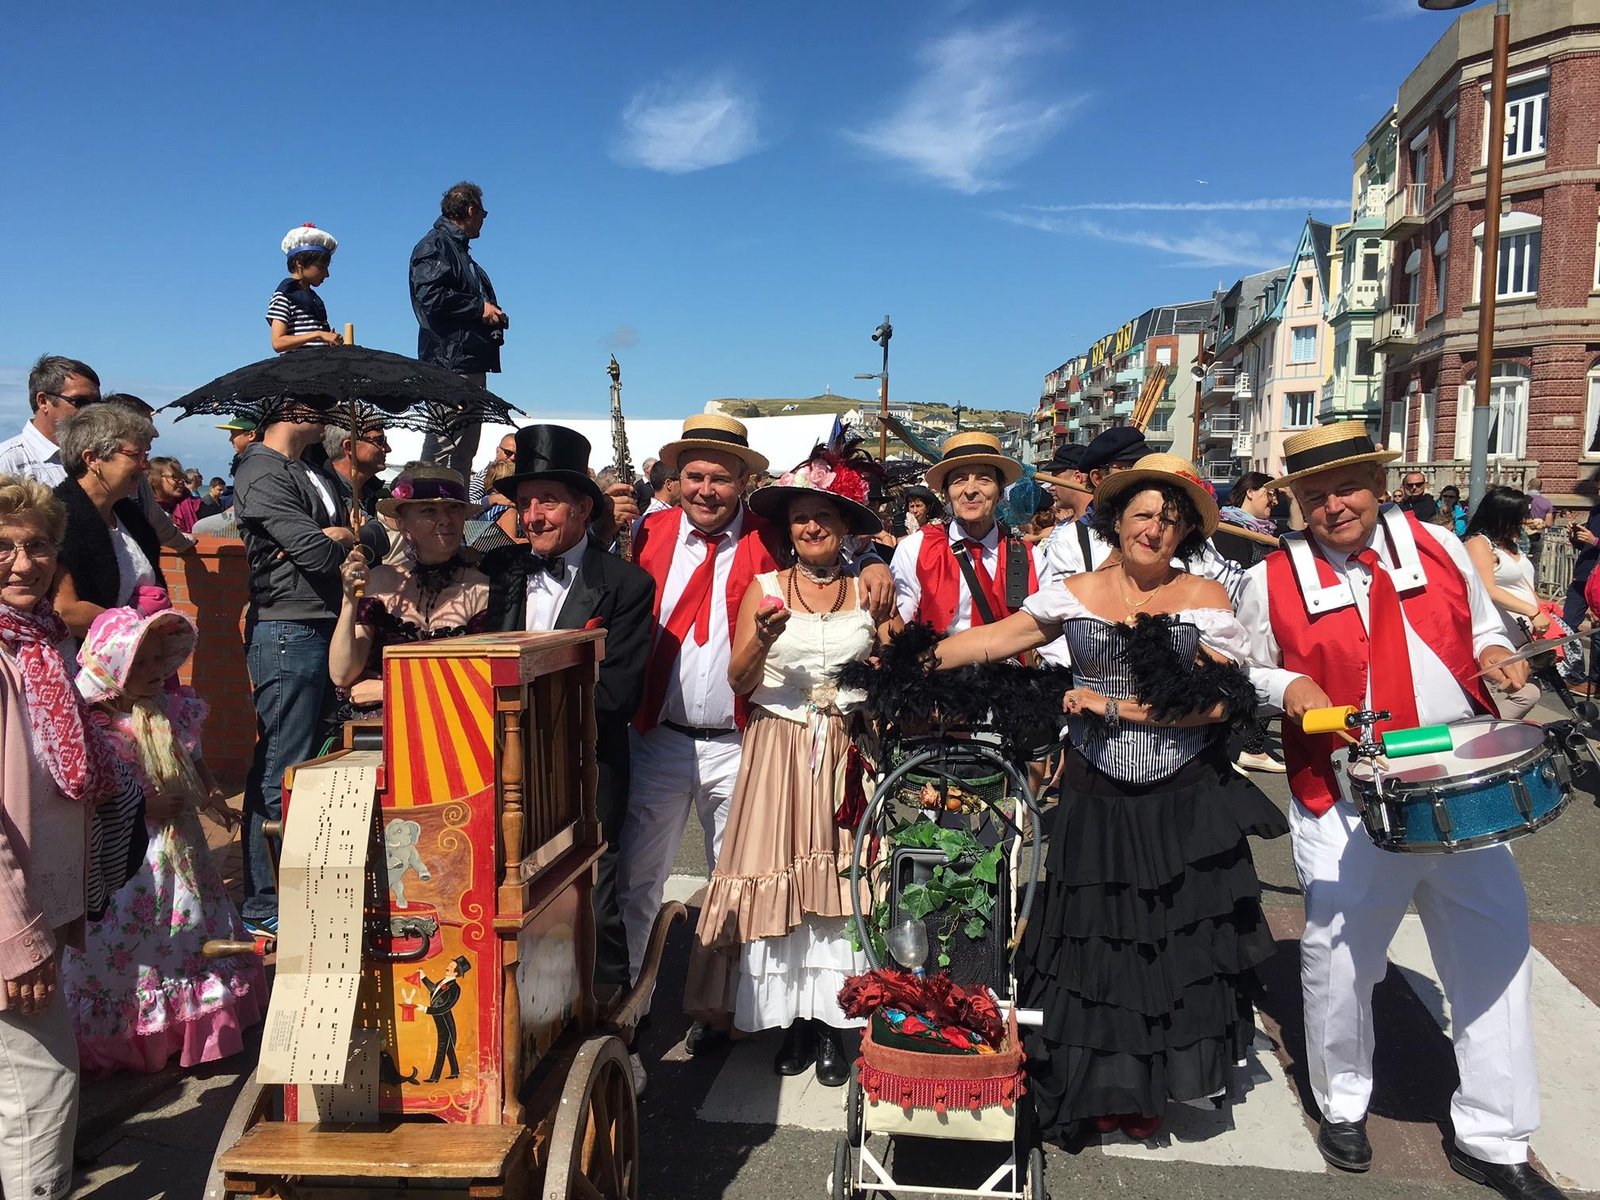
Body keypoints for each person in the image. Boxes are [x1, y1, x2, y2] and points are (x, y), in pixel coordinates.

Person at [1236, 423, 1562, 1198]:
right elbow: (1246, 665)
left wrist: (1494, 654)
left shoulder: (1442, 549)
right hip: (1345, 794)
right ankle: (1342, 1099)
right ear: (1296, 503)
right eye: (1313, 495)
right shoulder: (1270, 579)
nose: (1332, 506)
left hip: (1459, 780)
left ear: (1378, 484)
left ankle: (1495, 1134)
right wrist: (1289, 689)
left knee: (1495, 952)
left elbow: (1487, 627)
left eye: (1346, 487)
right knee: (1340, 959)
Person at [933, 453, 1285, 1143]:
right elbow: (995, 639)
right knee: (1096, 939)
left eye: (1171, 519)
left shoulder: (1206, 601)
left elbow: (1219, 705)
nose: (1155, 528)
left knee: (1172, 944)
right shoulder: (1075, 591)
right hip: (1096, 791)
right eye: (1144, 514)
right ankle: (1105, 1083)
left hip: (1183, 794)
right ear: (1117, 520)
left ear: (1185, 534)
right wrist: (910, 660)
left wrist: (1117, 709)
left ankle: (1158, 1082)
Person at [619, 415, 892, 1031]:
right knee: (639, 878)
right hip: (658, 735)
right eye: (693, 476)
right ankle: (630, 1012)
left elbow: (827, 534)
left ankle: (725, 1009)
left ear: (744, 482)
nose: (705, 490)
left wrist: (873, 557)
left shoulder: (768, 535)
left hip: (743, 736)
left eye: (720, 478)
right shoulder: (648, 532)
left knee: (739, 878)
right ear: (675, 479)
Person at [683, 453, 897, 1086]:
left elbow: (897, 663)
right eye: (801, 519)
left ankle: (835, 1020)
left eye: (822, 517)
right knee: (780, 876)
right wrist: (765, 639)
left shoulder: (871, 589)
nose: (810, 528)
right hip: (779, 748)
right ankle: (792, 1022)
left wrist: (886, 656)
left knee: (841, 881)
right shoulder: (768, 589)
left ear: (844, 527)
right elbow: (739, 680)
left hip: (847, 752)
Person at [0, 476, 144, 1198]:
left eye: (37, 546)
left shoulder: (39, 644)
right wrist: (16, 939)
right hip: (8, 924)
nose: (24, 563)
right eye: (3, 546)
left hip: (34, 911)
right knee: (38, 1095)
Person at [480, 427, 654, 1014]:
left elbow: (617, 695)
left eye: (547, 501)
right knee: (505, 891)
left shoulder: (626, 585)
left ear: (583, 508)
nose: (532, 515)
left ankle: (605, 1019)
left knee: (592, 892)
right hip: (498, 766)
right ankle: (521, 1014)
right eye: (524, 502)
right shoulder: (496, 571)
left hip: (586, 762)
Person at [61, 596, 265, 1074]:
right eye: (143, 662)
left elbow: (192, 758)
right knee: (136, 936)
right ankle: (140, 1026)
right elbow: (91, 793)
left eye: (160, 659)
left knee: (189, 923)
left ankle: (191, 1018)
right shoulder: (97, 725)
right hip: (129, 856)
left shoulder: (169, 710)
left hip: (181, 848)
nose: (157, 670)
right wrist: (144, 807)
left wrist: (211, 792)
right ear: (112, 667)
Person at [233, 403, 356, 938]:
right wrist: (332, 541)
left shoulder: (316, 469)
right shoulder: (259, 469)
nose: (328, 413)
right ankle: (264, 904)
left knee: (313, 762)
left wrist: (341, 536)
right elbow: (318, 554)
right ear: (289, 408)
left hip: (322, 625)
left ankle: (300, 889)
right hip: (289, 630)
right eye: (317, 404)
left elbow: (365, 534)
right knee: (285, 762)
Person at [331, 465, 489, 723]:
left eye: (453, 508)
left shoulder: (481, 589)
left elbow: (478, 679)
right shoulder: (381, 581)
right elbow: (342, 674)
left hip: (453, 725)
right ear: (402, 522)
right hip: (378, 730)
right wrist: (349, 600)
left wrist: (387, 689)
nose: (445, 520)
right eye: (429, 510)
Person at [889, 432, 1039, 636]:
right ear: (946, 493)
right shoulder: (914, 549)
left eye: (984, 479)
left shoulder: (1032, 558)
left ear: (1001, 492)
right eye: (959, 480)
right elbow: (900, 624)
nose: (970, 490)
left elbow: (1051, 643)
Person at [409, 182, 506, 476]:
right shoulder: (436, 245)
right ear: (471, 210)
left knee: (464, 450)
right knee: (443, 444)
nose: (484, 220)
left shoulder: (458, 252)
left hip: (466, 360)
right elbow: (430, 297)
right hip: (450, 362)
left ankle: (453, 516)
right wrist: (480, 308)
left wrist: (491, 313)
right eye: (483, 213)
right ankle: (429, 509)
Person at [51, 405, 164, 639]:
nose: (145, 466)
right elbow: (65, 612)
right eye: (136, 455)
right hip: (85, 663)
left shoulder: (129, 516)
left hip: (134, 659)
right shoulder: (60, 518)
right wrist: (138, 628)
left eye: (146, 455)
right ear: (92, 459)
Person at [1215, 472, 1285, 775]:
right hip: (1235, 616)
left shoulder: (1268, 530)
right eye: (1269, 493)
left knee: (1269, 674)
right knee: (1230, 685)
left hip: (1266, 616)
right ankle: (1223, 751)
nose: (1274, 501)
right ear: (1251, 492)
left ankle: (1253, 747)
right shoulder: (1227, 529)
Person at [1464, 487, 1547, 720]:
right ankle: (1485, 732)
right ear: (1503, 514)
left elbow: (1522, 582)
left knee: (1529, 691)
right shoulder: (1478, 543)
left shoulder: (1509, 544)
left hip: (1523, 639)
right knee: (1521, 693)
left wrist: (1541, 607)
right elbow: (1488, 589)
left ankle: (1495, 728)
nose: (1526, 519)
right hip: (1495, 640)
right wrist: (1531, 611)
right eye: (1521, 514)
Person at [0, 355, 101, 487]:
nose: (92, 411)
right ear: (43, 401)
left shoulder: (97, 457)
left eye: (98, 404)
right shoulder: (8, 463)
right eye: (81, 402)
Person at [266, 224, 342, 354]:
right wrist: (318, 334)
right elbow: (278, 342)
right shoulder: (284, 296)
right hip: (296, 368)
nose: (326, 274)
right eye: (322, 267)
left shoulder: (315, 301)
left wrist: (328, 340)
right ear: (300, 263)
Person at [148, 456, 202, 534]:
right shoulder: (144, 508)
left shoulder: (194, 505)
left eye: (182, 477)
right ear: (154, 479)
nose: (181, 481)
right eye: (175, 477)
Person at [469, 431, 517, 503]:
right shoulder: (484, 476)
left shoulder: (523, 473)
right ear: (498, 451)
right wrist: (490, 500)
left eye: (517, 455)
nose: (513, 458)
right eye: (508, 453)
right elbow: (467, 505)